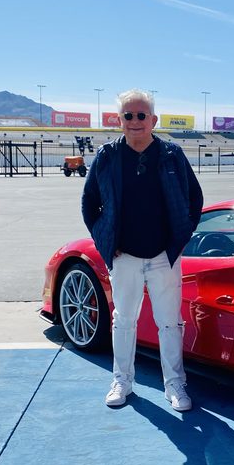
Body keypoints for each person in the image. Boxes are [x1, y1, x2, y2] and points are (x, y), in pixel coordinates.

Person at [81, 89, 203, 411]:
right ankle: (122, 381)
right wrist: (106, 241)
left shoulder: (171, 155)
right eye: (128, 116)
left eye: (141, 115)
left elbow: (195, 199)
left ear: (153, 120)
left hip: (164, 256)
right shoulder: (107, 157)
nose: (135, 122)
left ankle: (175, 385)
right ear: (119, 120)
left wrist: (178, 239)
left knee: (169, 323)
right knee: (123, 321)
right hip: (125, 258)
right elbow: (89, 204)